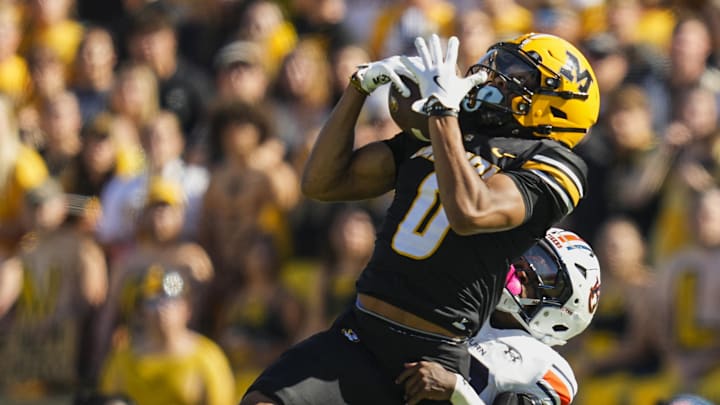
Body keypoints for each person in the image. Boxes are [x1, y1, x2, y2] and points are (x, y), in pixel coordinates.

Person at [242, 32, 599, 404]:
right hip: (361, 331)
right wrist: (358, 89)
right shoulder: (454, 130)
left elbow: (470, 211)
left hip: (432, 356)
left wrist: (444, 114)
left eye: (517, 74)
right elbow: (322, 181)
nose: (496, 78)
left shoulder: (554, 163)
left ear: (556, 105)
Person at [396, 228, 601, 405]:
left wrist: (456, 390)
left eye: (543, 268)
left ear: (566, 305)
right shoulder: (466, 299)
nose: (523, 267)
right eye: (528, 254)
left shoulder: (543, 367)